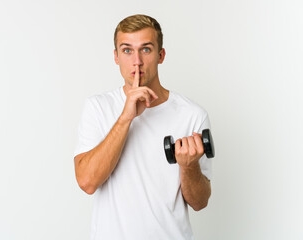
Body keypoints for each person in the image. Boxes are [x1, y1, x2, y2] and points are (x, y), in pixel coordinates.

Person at [74, 14, 212, 240]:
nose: (136, 61)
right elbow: (87, 182)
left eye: (146, 49)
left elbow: (200, 202)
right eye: (127, 50)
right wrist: (126, 118)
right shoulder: (98, 107)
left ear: (161, 55)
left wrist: (188, 167)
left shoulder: (192, 115)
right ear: (116, 57)